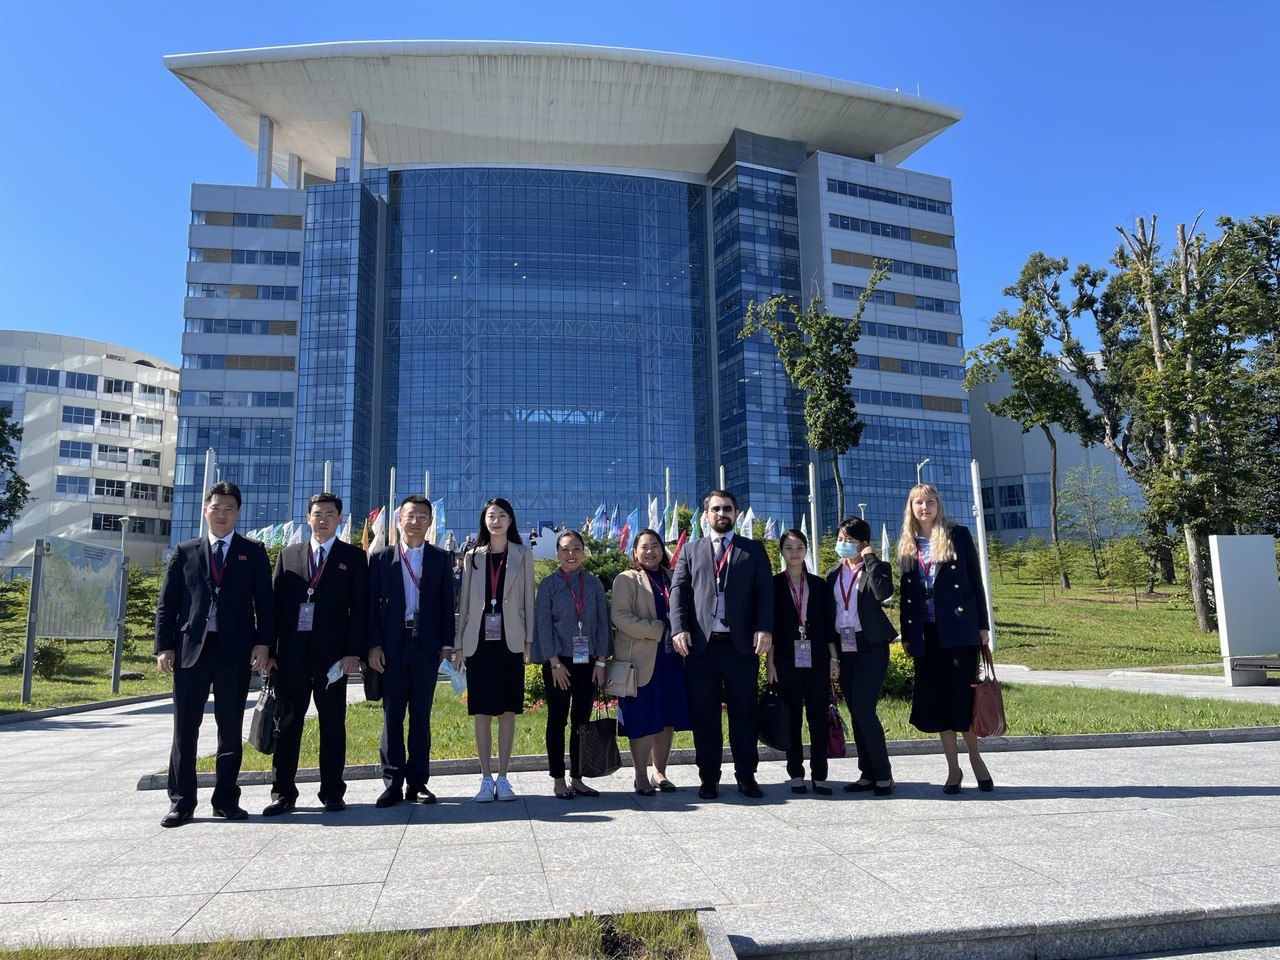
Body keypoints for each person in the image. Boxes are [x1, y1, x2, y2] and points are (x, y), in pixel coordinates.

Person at [153, 481, 274, 827]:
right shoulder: (185, 551)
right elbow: (167, 605)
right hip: (191, 652)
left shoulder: (253, 552)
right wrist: (164, 646)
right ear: (205, 511)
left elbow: (264, 604)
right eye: (216, 508)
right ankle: (182, 802)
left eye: (229, 509)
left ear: (238, 513)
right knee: (185, 730)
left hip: (235, 652)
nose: (222, 515)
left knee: (229, 727)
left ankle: (225, 799)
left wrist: (264, 643)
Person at [263, 492, 368, 816]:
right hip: (291, 657)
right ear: (308, 518)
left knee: (333, 725)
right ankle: (283, 793)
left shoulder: (352, 556)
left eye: (330, 514)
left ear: (339, 519)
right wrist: (269, 651)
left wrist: (353, 654)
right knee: (287, 725)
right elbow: (274, 609)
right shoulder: (288, 555)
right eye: (317, 514)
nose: (322, 519)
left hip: (333, 659)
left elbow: (360, 610)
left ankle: (332, 791)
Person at [670, 490, 773, 799]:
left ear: (736, 513)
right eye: (715, 509)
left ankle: (746, 777)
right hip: (702, 648)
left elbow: (765, 592)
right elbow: (678, 592)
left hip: (741, 647)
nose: (721, 513)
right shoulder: (690, 550)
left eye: (727, 508)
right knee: (705, 716)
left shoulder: (753, 551)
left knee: (744, 714)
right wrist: (678, 629)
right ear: (706, 515)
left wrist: (764, 628)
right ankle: (709, 778)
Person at [897, 483, 994, 794]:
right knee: (938, 700)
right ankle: (953, 769)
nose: (924, 507)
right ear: (911, 508)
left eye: (929, 501)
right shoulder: (907, 544)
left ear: (938, 505)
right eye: (918, 502)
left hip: (959, 630)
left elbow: (975, 582)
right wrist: (906, 633)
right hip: (925, 633)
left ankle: (977, 760)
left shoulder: (958, 535)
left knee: (961, 698)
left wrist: (983, 626)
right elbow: (905, 595)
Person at [367, 495, 456, 807]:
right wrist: (374, 645)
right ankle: (392, 784)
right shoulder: (380, 558)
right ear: (398, 520)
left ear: (430, 523)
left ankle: (417, 783)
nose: (416, 521)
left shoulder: (440, 558)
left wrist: (447, 647)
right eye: (410, 516)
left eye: (422, 516)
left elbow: (448, 604)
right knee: (392, 716)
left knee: (421, 716)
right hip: (392, 646)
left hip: (426, 646)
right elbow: (371, 608)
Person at [454, 497, 534, 802]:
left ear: (510, 521)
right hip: (478, 642)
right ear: (484, 521)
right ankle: (485, 777)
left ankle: (503, 777)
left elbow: (528, 600)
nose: (496, 520)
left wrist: (528, 641)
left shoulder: (522, 555)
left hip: (509, 640)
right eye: (491, 516)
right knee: (482, 710)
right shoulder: (473, 556)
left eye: (502, 515)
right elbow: (464, 605)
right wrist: (460, 644)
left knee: (506, 709)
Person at [612, 528, 690, 794]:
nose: (650, 551)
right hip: (641, 661)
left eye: (655, 545)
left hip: (672, 660)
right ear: (634, 551)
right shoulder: (627, 579)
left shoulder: (673, 577)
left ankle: (660, 772)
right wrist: (657, 630)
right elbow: (620, 617)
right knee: (643, 718)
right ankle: (640, 776)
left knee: (666, 717)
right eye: (644, 546)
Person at [532, 530, 608, 798]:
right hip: (558, 664)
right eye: (565, 549)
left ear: (583, 552)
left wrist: (600, 661)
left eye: (576, 548)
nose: (571, 554)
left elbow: (601, 623)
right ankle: (558, 779)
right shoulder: (550, 585)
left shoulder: (594, 583)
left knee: (582, 722)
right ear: (557, 554)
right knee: (557, 720)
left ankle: (577, 777)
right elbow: (542, 625)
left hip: (586, 662)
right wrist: (553, 662)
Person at [826, 516, 897, 796]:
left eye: (850, 540)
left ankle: (884, 775)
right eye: (840, 539)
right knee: (856, 712)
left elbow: (884, 593)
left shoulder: (877, 568)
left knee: (866, 710)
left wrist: (869, 558)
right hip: (844, 649)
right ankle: (867, 774)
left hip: (870, 645)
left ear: (864, 543)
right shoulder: (832, 573)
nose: (843, 544)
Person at [767, 529, 839, 794]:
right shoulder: (773, 584)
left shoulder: (819, 585)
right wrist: (770, 663)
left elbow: (828, 625)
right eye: (788, 548)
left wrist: (834, 658)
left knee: (818, 717)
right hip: (786, 659)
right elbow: (770, 627)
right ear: (782, 552)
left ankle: (820, 775)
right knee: (792, 717)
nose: (794, 552)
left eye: (799, 547)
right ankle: (795, 773)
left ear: (806, 550)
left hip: (818, 658)